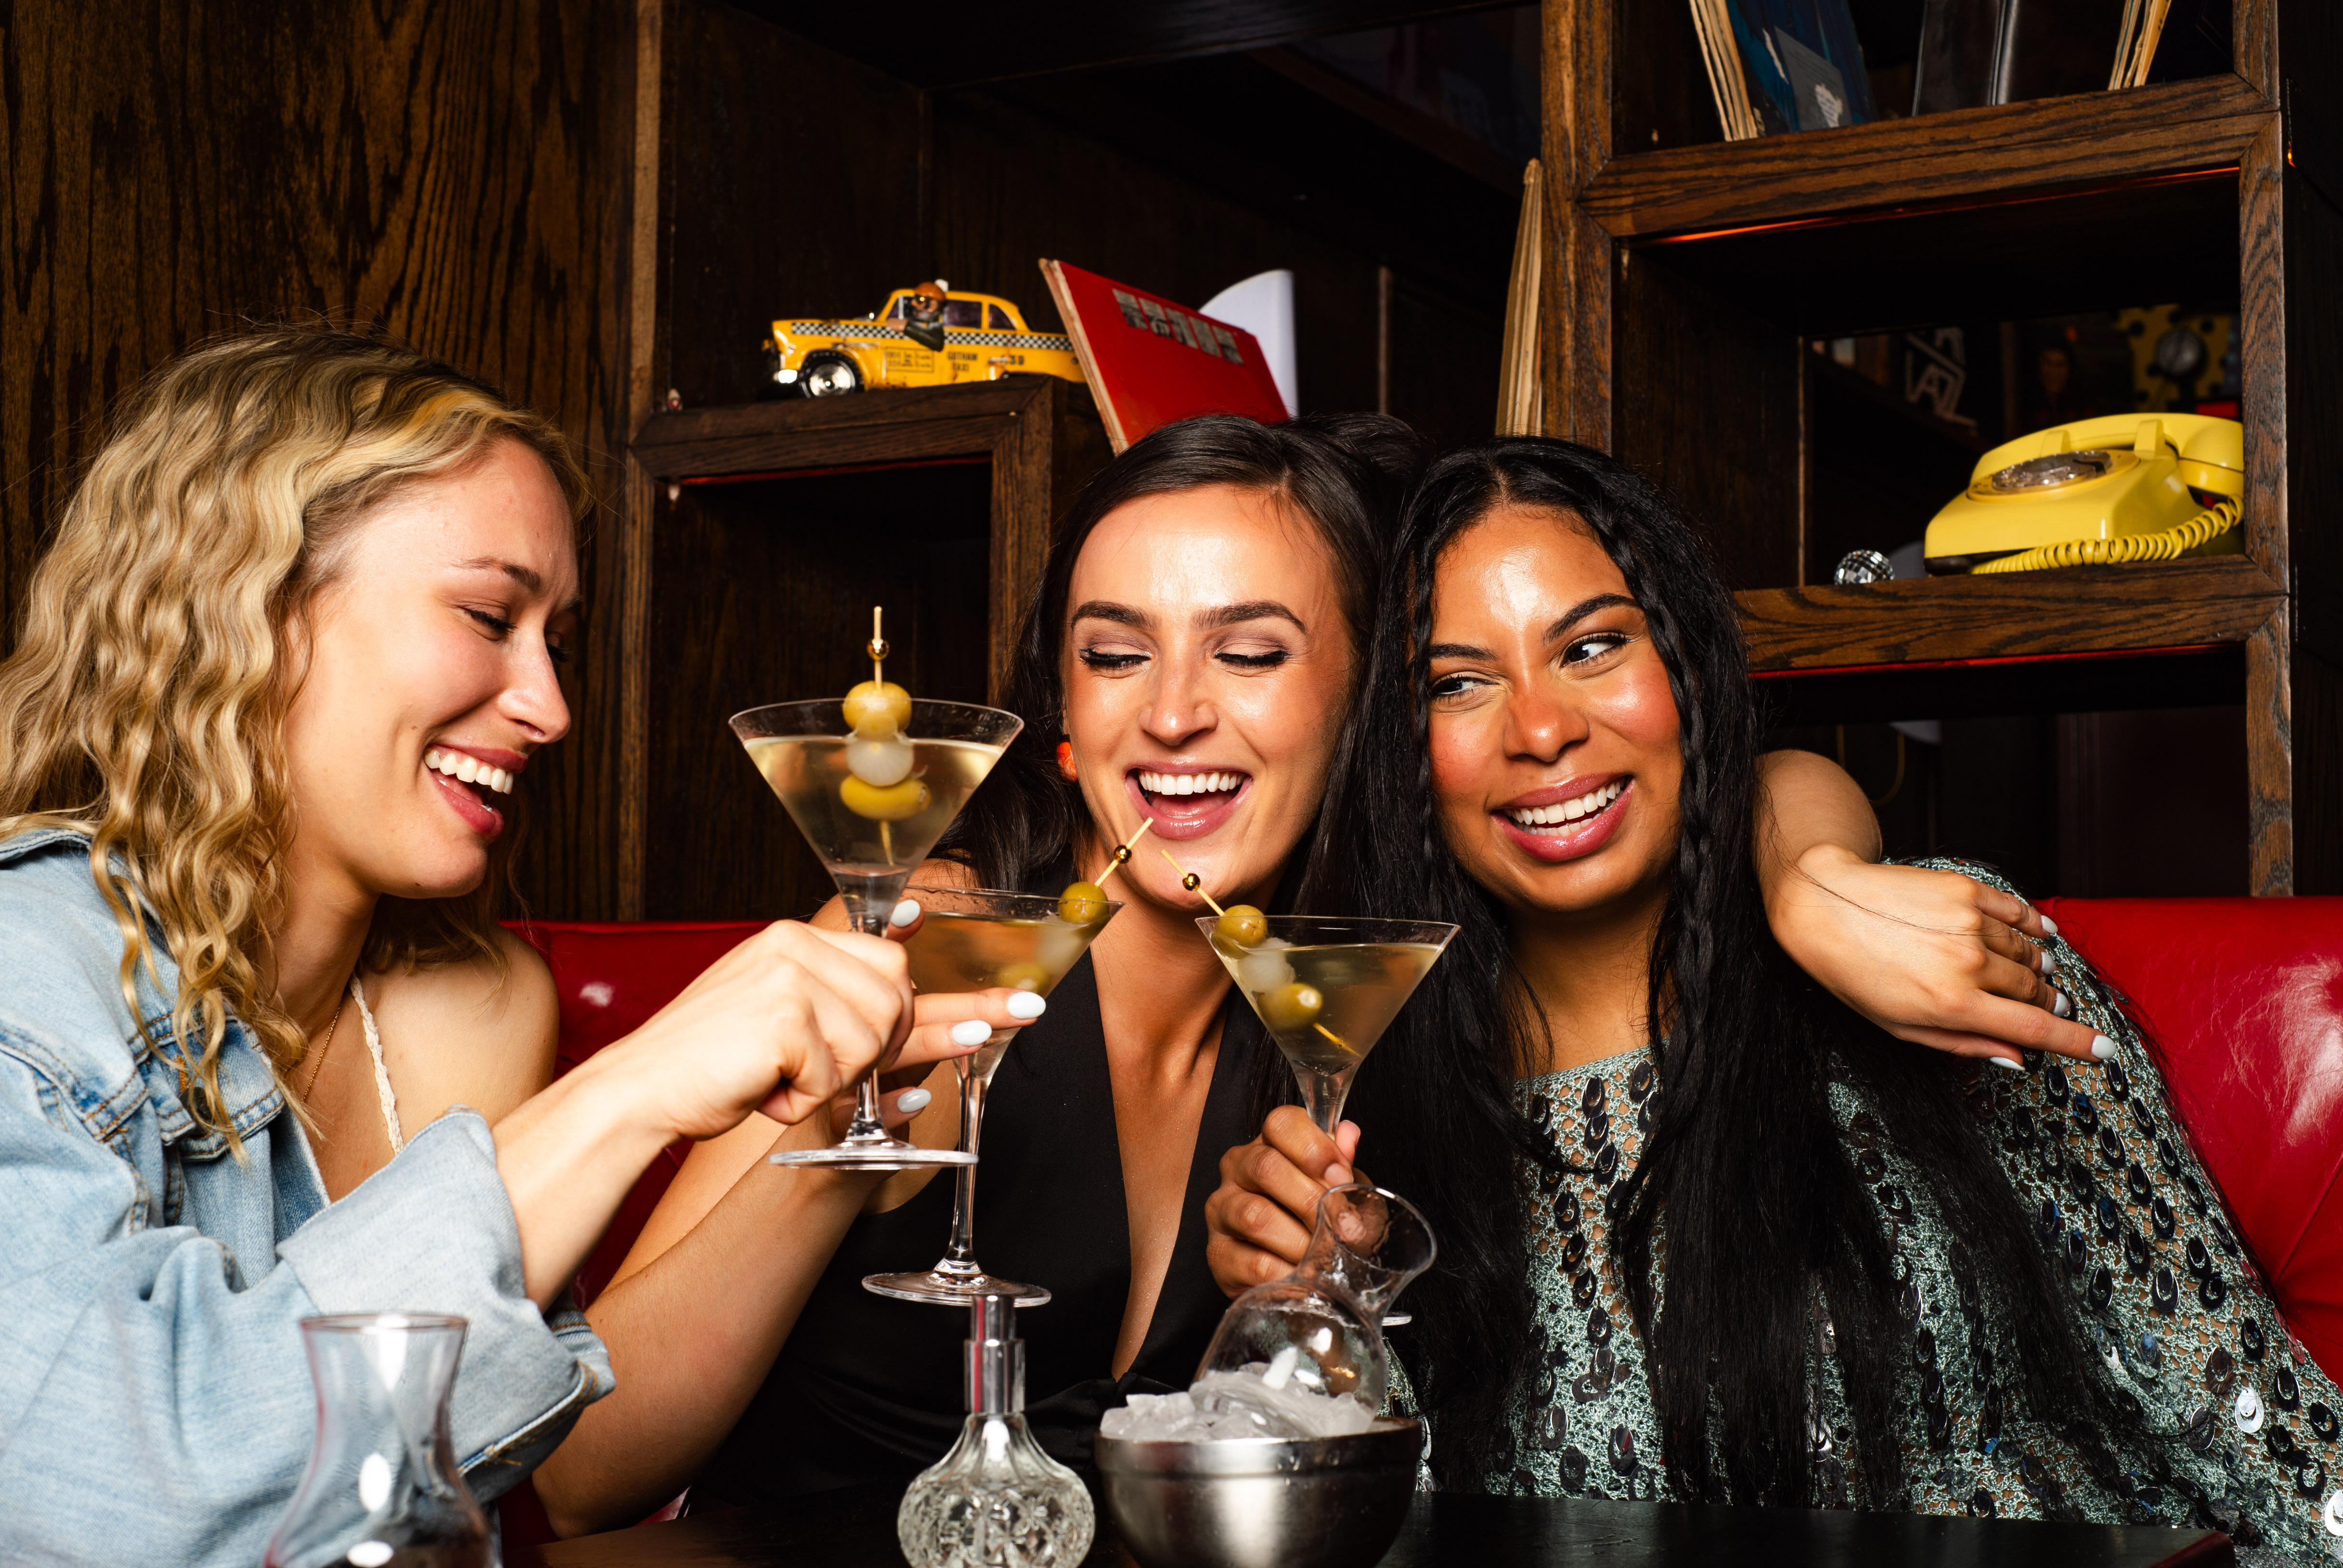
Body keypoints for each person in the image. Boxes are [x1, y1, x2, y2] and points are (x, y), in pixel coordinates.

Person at [534, 414, 2101, 1533]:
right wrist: (846, 1140)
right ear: (1061, 719)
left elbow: (1720, 783)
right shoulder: (915, 946)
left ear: (1365, 709)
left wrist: (1811, 876)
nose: (1171, 713)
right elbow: (577, 1475)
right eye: (1113, 650)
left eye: (1251, 650)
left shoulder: (1361, 999)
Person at [1207, 436, 2343, 1559]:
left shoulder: (1924, 955)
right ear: (1405, 750)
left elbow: (2244, 1413)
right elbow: (1397, 1528)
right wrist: (1336, 1311)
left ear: (1690, 665)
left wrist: (1814, 877)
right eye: (1459, 682)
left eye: (1595, 647)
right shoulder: (1379, 1103)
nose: (1542, 728)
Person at [0, 328, 1002, 1567]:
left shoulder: (461, 1006)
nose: (551, 705)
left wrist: (836, 1118)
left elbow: (565, 1465)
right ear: (243, 606)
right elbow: (106, 1494)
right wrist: (634, 1082)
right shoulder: (27, 972)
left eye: (558, 640)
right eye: (488, 614)